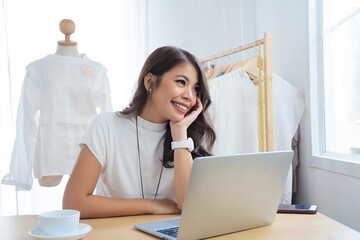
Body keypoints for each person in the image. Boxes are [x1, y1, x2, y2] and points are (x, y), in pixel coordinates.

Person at [63, 46, 216, 218]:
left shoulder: (188, 135)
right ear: (150, 82)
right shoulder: (107, 126)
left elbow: (190, 206)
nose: (189, 96)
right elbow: (73, 203)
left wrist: (180, 134)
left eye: (195, 88)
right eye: (181, 82)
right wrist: (150, 205)